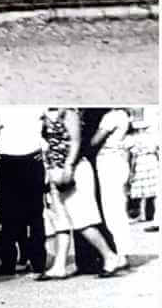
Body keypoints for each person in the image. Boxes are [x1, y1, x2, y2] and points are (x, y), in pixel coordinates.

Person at [39, 107, 126, 279]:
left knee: (82, 220)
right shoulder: (44, 114)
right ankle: (59, 266)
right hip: (54, 170)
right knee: (61, 221)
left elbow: (76, 141)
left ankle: (110, 256)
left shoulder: (69, 113)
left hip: (74, 169)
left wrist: (69, 167)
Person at [0, 107, 47, 276]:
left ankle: (37, 261)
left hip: (30, 158)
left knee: (33, 215)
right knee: (10, 214)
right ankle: (9, 262)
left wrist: (47, 149)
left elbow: (53, 124)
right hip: (8, 159)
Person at [88, 107, 132, 260]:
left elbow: (94, 141)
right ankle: (122, 251)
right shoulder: (124, 115)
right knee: (117, 207)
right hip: (118, 160)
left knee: (112, 209)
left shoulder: (111, 116)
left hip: (109, 162)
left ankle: (121, 253)